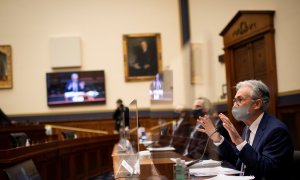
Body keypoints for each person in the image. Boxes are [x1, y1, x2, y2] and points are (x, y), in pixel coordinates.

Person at [198, 80, 294, 179]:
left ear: (257, 104)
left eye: (240, 100)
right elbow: (239, 160)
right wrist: (217, 138)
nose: (235, 104)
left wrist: (238, 141)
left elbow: (267, 170)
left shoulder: (276, 131)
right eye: (235, 100)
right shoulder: (247, 128)